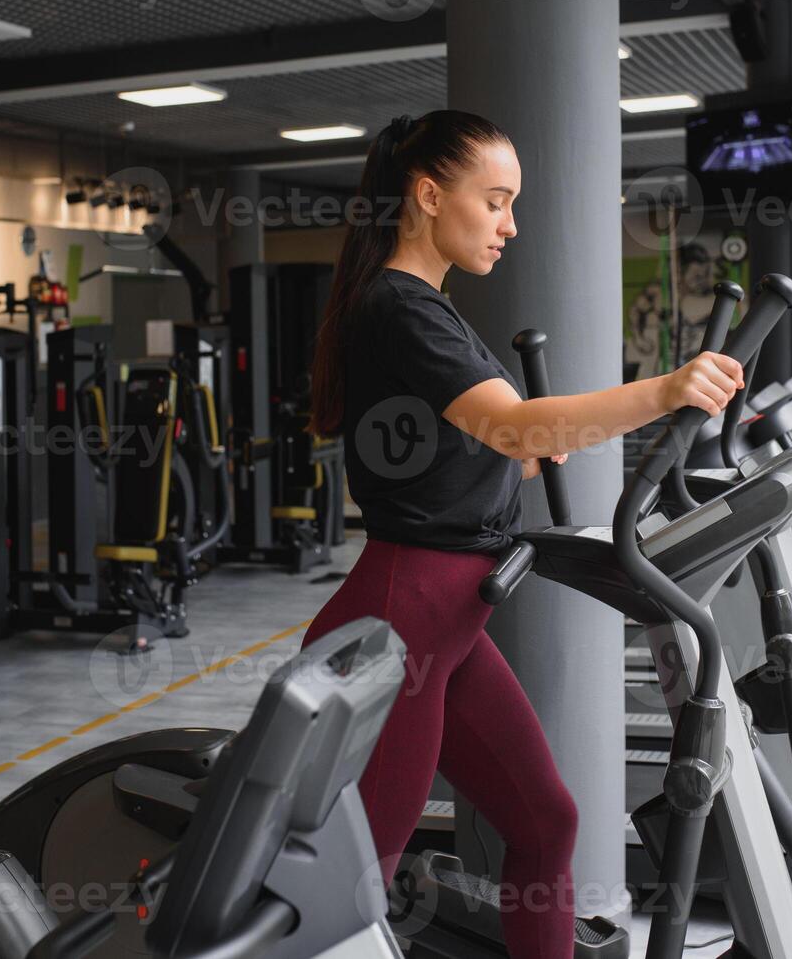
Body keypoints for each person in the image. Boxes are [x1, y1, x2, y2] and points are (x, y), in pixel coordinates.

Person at [305, 111, 744, 959]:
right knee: (357, 878)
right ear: (430, 195)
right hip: (406, 614)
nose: (510, 224)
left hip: (450, 612)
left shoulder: (420, 306)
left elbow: (475, 446)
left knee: (546, 821)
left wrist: (523, 457)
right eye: (496, 201)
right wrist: (663, 391)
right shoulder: (401, 307)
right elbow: (514, 428)